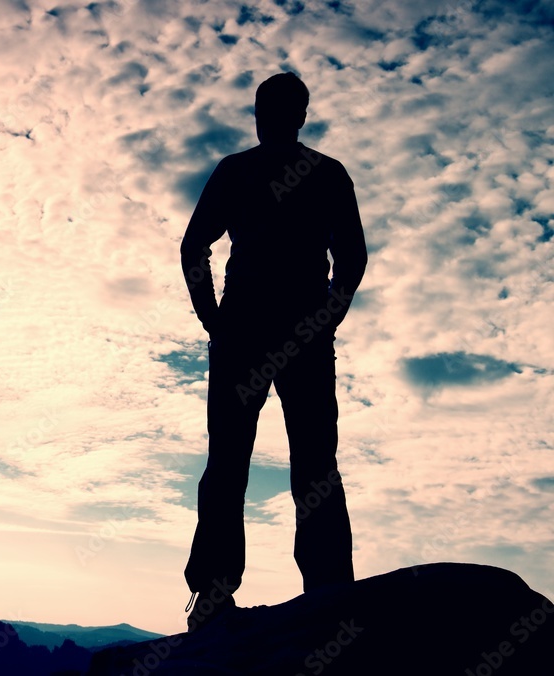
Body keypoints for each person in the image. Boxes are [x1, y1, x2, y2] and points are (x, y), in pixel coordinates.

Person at [179, 72, 368, 632]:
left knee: (236, 461)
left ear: (271, 115)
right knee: (308, 464)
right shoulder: (323, 173)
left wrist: (213, 316)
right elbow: (352, 261)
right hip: (289, 332)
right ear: (299, 115)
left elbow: (194, 247)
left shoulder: (242, 171)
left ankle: (216, 593)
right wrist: (326, 316)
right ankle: (328, 590)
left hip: (256, 331)